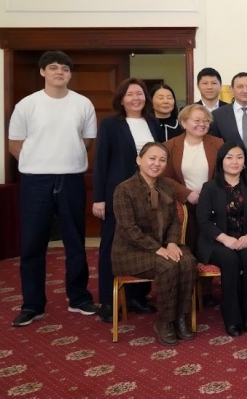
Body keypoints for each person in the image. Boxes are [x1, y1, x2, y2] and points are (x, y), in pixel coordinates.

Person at [9, 51, 99, 327]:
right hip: (36, 181)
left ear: (70, 74)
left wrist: (62, 160)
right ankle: (32, 304)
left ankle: (79, 297)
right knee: (33, 243)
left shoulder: (83, 104)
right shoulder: (27, 105)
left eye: (65, 69)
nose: (59, 72)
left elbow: (87, 141)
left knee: (75, 241)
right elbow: (15, 144)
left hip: (71, 178)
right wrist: (39, 161)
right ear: (42, 72)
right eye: (53, 67)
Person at [111, 142, 197, 346]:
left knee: (188, 262)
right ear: (139, 159)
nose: (157, 163)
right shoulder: (124, 189)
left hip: (164, 245)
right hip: (131, 252)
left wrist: (172, 243)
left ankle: (181, 317)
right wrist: (157, 248)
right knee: (168, 266)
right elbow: (129, 229)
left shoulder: (166, 186)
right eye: (152, 158)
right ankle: (165, 321)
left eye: (162, 160)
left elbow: (174, 220)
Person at [93, 78, 162, 322]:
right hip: (117, 194)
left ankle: (137, 297)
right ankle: (108, 301)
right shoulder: (110, 124)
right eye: (130, 94)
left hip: (148, 193)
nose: (136, 98)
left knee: (144, 242)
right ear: (121, 99)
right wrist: (99, 198)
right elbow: (101, 162)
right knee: (111, 245)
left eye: (140, 93)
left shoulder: (153, 123)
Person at [197, 142, 247, 336]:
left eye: (239, 157)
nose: (234, 162)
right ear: (221, 161)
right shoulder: (210, 187)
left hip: (245, 238)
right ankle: (232, 319)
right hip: (216, 241)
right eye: (229, 157)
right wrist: (224, 239)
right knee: (230, 260)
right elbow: (203, 220)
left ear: (245, 162)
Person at [162, 104, 225, 253]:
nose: (202, 124)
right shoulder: (169, 146)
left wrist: (208, 194)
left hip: (213, 204)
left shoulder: (218, 143)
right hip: (183, 205)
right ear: (184, 123)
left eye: (206, 120)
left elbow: (224, 173)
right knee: (188, 245)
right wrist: (187, 194)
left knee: (212, 247)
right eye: (197, 120)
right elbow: (164, 177)